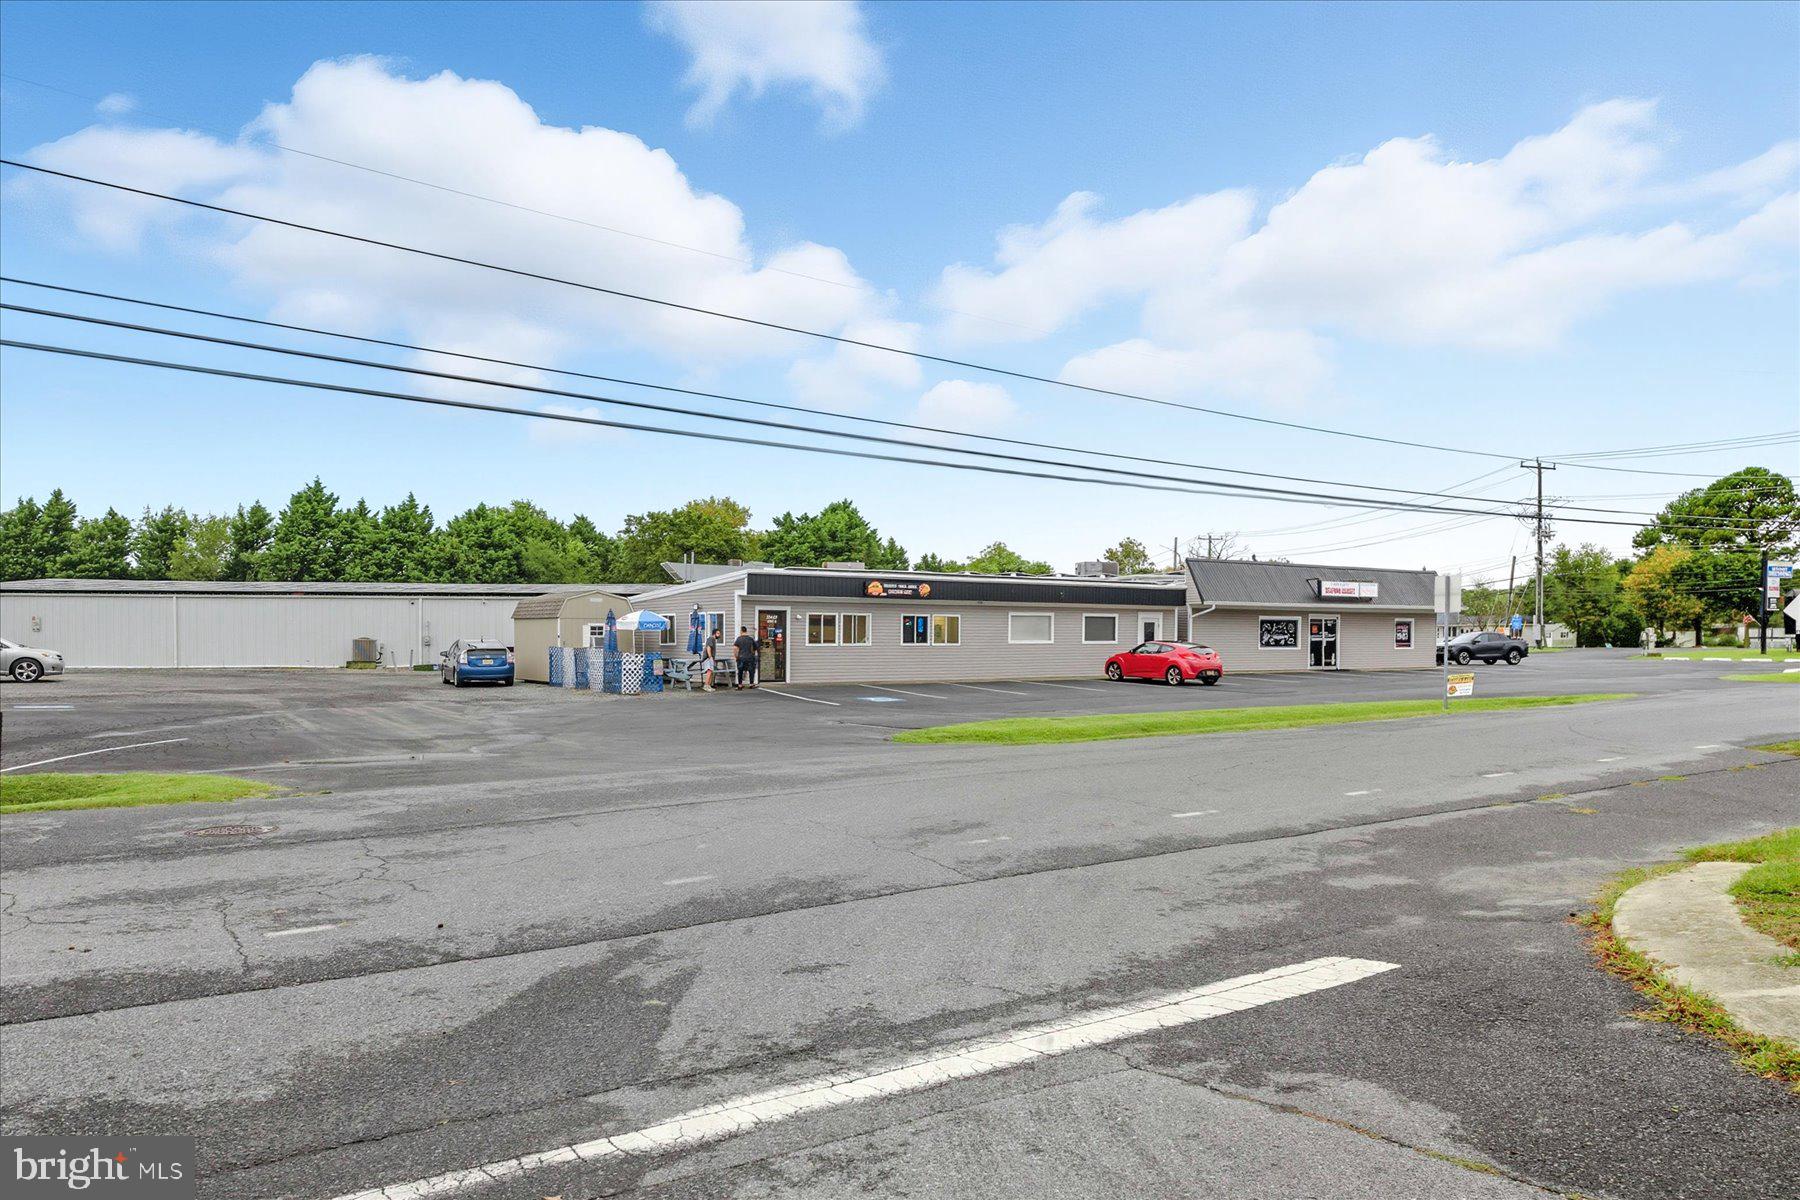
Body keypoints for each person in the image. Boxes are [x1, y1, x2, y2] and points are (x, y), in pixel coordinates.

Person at [733, 625, 758, 689]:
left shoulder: (739, 639)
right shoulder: (750, 639)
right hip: (750, 657)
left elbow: (735, 648)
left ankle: (740, 685)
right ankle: (751, 684)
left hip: (741, 657)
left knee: (740, 671)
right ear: (746, 631)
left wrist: (736, 656)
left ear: (741, 631)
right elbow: (755, 648)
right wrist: (752, 654)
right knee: (751, 671)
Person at [701, 625, 719, 693]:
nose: (719, 635)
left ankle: (708, 685)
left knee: (711, 671)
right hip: (708, 658)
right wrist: (710, 657)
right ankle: (706, 685)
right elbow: (708, 648)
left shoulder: (713, 640)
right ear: (714, 633)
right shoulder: (711, 639)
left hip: (710, 658)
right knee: (709, 671)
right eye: (718, 633)